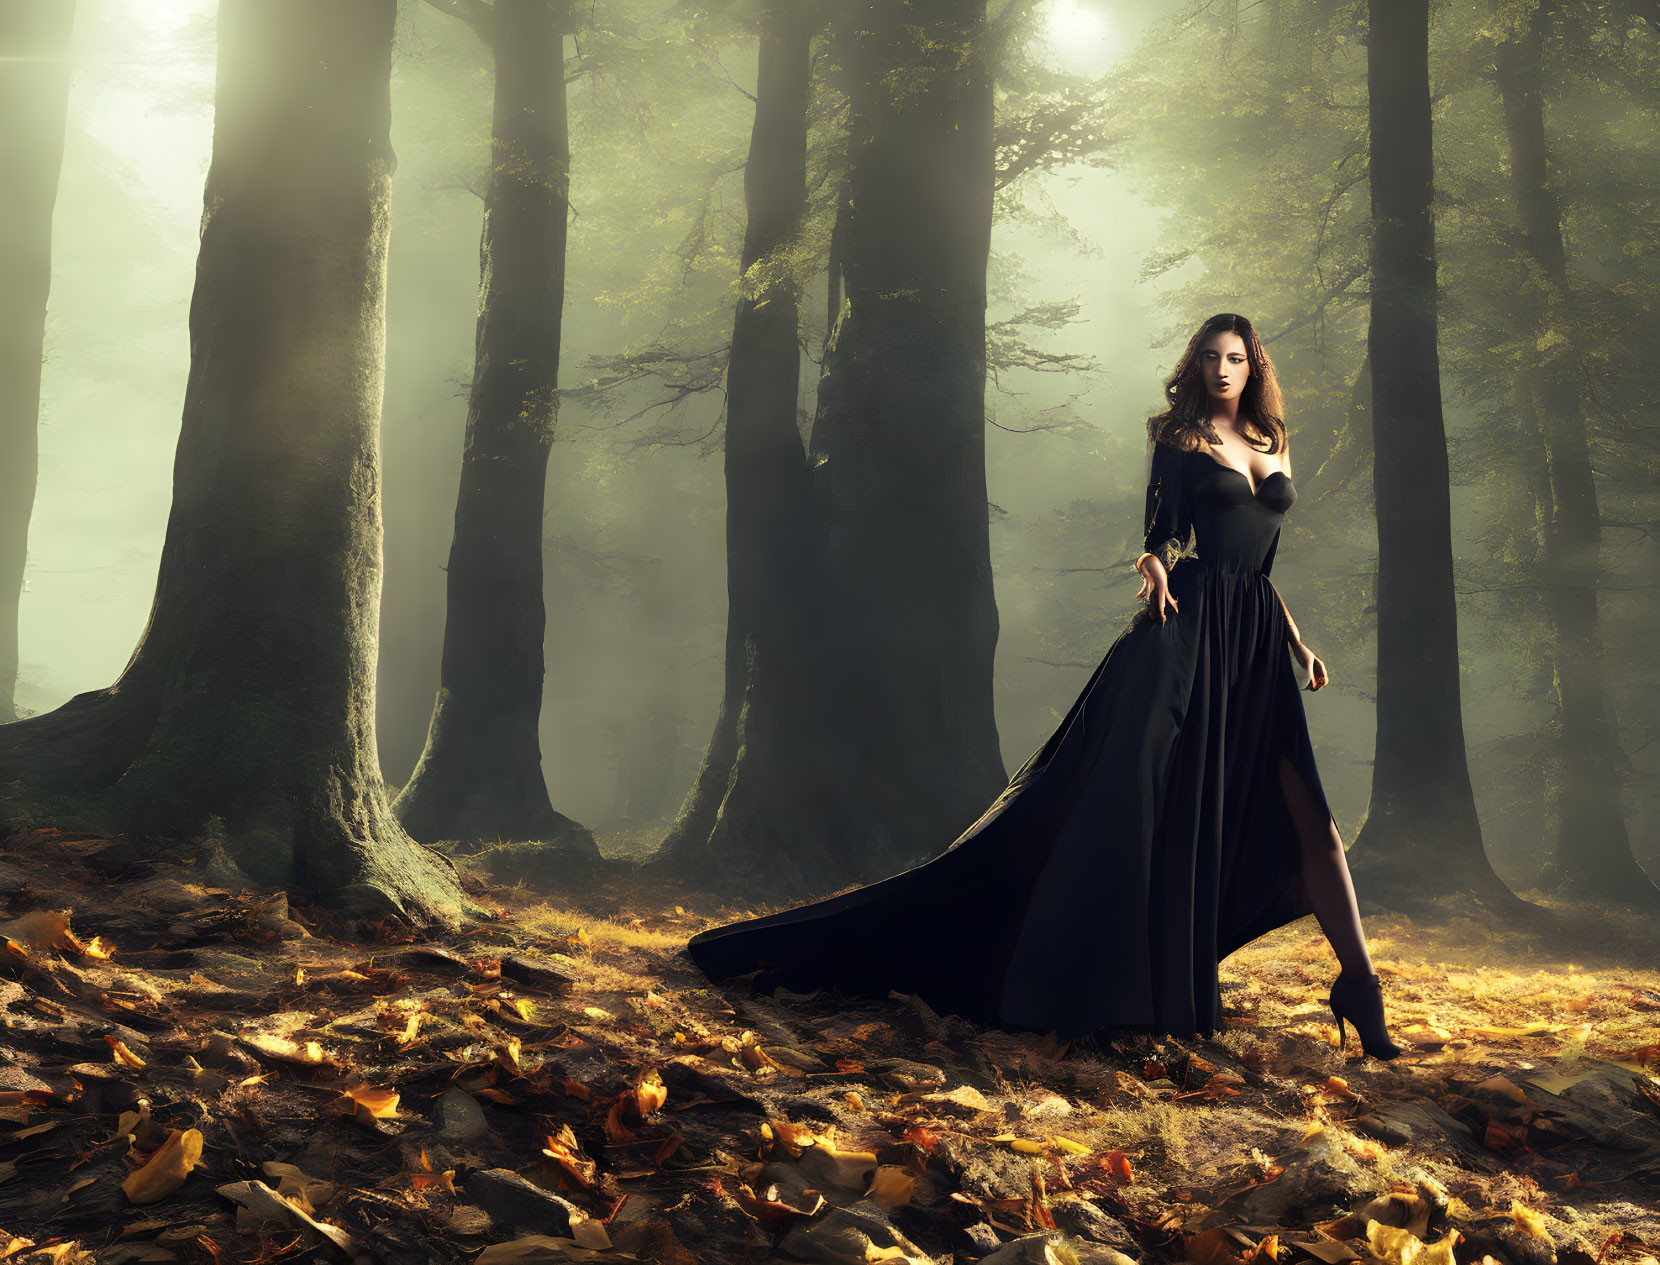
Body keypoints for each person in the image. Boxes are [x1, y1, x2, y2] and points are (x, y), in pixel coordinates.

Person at [686, 313, 1401, 1060]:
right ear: (1196, 365)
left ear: (1255, 368)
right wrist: (1152, 566)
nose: (1225, 370)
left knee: (1312, 818)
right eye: (1213, 358)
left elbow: (1260, 568)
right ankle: (1110, 974)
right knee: (1133, 805)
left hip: (1256, 646)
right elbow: (1159, 538)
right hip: (1186, 637)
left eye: (1238, 359)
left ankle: (1359, 983)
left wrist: (1298, 643)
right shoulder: (1180, 439)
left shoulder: (1273, 442)